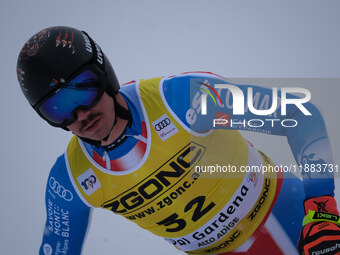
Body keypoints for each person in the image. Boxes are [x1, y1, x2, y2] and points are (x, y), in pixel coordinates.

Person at [17, 26, 340, 255]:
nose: (80, 114)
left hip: (295, 221)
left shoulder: (183, 101)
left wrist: (322, 209)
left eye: (83, 90)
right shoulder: (70, 180)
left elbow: (300, 116)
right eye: (58, 108)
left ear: (103, 74)